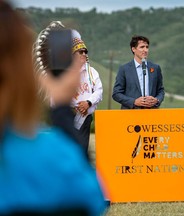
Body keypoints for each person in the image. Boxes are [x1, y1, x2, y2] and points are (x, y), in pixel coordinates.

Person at [0, 1, 107, 215]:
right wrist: (61, 109)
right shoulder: (51, 153)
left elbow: (99, 91)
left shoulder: (93, 72)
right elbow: (89, 199)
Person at [34, 22, 103, 154]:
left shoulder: (91, 71)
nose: (84, 54)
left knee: (82, 151)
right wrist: (74, 106)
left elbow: (99, 91)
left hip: (85, 117)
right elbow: (56, 97)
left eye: (85, 51)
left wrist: (88, 103)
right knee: (66, 149)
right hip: (68, 114)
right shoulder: (63, 73)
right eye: (80, 51)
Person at [112, 35, 165, 109]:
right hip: (131, 115)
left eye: (147, 47)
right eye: (142, 47)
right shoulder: (124, 69)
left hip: (151, 114)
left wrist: (157, 100)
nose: (145, 50)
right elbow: (116, 94)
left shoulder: (155, 68)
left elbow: (161, 90)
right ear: (133, 49)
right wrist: (134, 101)